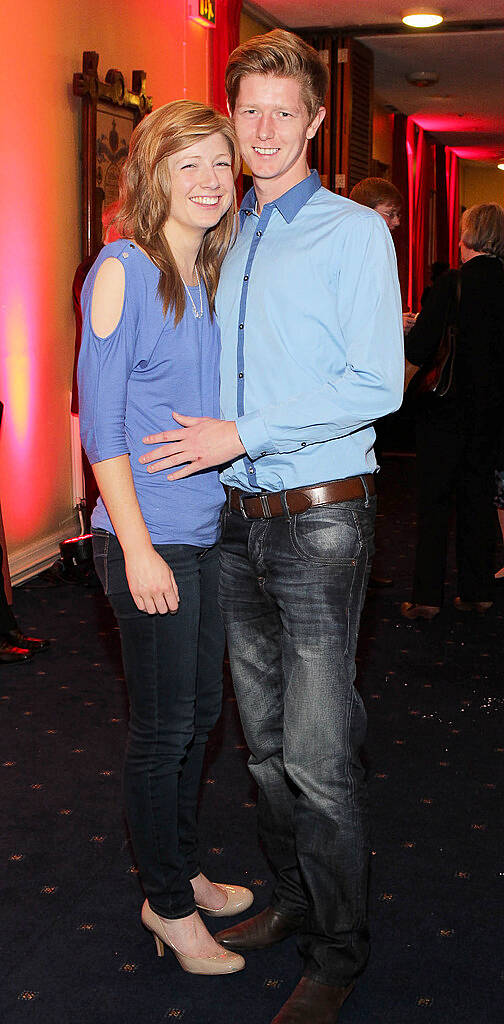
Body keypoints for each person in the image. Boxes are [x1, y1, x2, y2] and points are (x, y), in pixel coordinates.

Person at [140, 31, 404, 1022]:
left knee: (320, 754)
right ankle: (294, 899)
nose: (259, 130)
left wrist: (241, 430)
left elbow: (377, 383)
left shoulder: (350, 234)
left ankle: (339, 952)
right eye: (245, 109)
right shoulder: (222, 232)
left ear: (315, 122)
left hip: (322, 522)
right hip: (234, 524)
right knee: (260, 748)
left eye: (280, 112)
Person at [77, 100, 252, 976]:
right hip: (145, 537)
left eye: (220, 163)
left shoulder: (210, 273)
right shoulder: (123, 269)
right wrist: (139, 549)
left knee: (203, 717)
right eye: (187, 165)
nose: (209, 181)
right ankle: (170, 906)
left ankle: (178, 871)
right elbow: (99, 428)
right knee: (162, 728)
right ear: (153, 176)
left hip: (206, 528)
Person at [402, 202, 504, 619]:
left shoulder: (452, 283)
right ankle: (476, 591)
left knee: (435, 504)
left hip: (445, 410)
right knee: (479, 501)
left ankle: (427, 598)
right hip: (493, 413)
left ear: (467, 237)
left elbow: (420, 348)